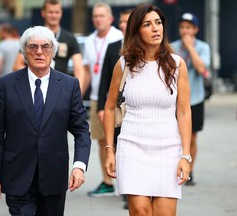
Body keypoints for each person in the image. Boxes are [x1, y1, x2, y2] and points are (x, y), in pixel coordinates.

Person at [0, 26, 91, 216]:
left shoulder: (69, 85)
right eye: (33, 47)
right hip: (17, 176)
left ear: (53, 51)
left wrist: (79, 167)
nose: (39, 52)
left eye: (45, 47)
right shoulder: (6, 85)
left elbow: (82, 131)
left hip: (54, 178)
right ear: (24, 51)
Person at [103, 4, 192, 215]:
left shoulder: (177, 65)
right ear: (136, 31)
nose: (155, 29)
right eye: (147, 24)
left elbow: (184, 112)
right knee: (140, 212)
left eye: (158, 23)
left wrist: (185, 156)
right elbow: (109, 108)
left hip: (168, 148)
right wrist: (109, 150)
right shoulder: (123, 64)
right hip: (132, 148)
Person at [83, 2, 123, 197]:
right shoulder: (89, 41)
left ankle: (124, 182)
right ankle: (107, 181)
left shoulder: (119, 38)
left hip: (117, 99)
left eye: (102, 16)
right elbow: (86, 71)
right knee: (101, 140)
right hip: (96, 98)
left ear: (110, 18)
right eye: (95, 16)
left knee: (120, 141)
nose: (98, 19)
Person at [97, 8, 132, 208]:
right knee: (119, 147)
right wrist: (102, 108)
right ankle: (126, 189)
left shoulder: (146, 47)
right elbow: (104, 79)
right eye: (121, 21)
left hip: (137, 106)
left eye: (127, 21)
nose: (123, 25)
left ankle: (131, 191)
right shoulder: (112, 47)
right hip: (116, 107)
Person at [12, 0, 85, 95]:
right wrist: (34, 78)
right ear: (43, 13)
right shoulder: (33, 37)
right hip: (36, 87)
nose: (54, 15)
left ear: (61, 13)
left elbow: (79, 69)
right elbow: (17, 65)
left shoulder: (70, 38)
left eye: (56, 12)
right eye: (50, 12)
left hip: (60, 89)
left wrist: (76, 93)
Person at [171, 12, 211, 186]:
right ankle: (173, 166)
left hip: (195, 98)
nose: (184, 31)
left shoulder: (203, 47)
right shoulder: (172, 47)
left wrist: (190, 48)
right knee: (174, 136)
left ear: (195, 29)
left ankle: (190, 169)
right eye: (182, 27)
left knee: (192, 137)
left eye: (188, 27)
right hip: (174, 100)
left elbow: (202, 68)